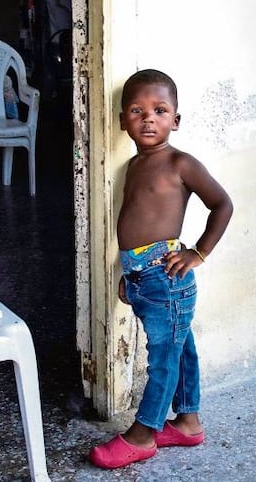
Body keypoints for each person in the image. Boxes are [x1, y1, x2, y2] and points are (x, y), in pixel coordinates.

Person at [88, 69, 234, 469]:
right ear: (123, 121)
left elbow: (223, 205)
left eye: (159, 110)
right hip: (144, 277)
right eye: (137, 111)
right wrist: (130, 273)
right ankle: (188, 423)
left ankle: (143, 434)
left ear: (176, 120)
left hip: (168, 278)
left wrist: (198, 254)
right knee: (181, 348)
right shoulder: (134, 165)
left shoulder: (180, 163)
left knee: (164, 359)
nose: (148, 118)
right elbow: (137, 222)